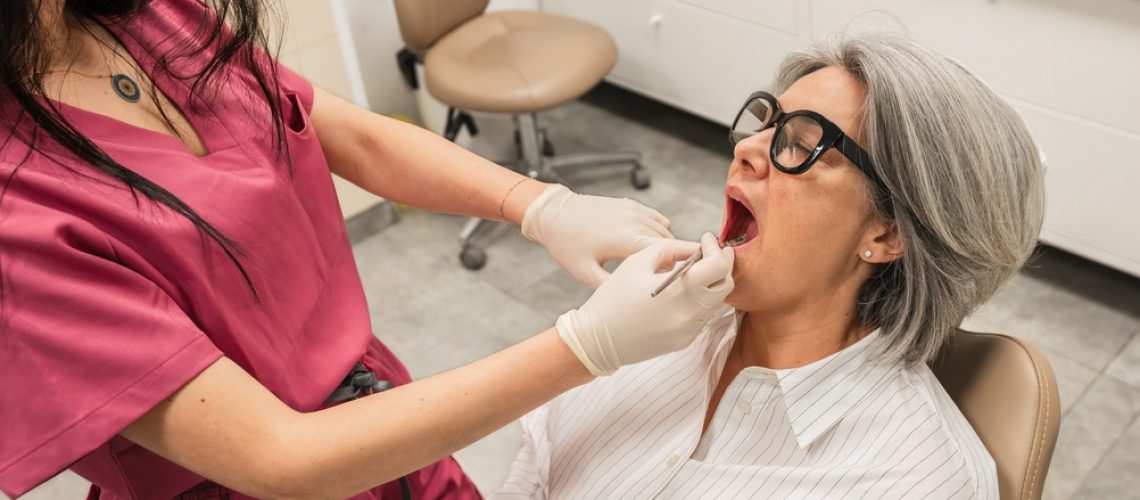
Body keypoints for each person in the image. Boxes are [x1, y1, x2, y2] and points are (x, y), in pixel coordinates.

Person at [0, 0, 736, 498]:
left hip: (382, 410)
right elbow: (278, 460)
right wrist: (588, 346)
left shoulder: (149, 15)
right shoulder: (15, 212)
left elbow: (347, 133)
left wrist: (540, 204)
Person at [494, 32, 1045, 499]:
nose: (747, 150)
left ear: (888, 233)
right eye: (766, 124)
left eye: (800, 145)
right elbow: (538, 465)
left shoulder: (911, 481)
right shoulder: (648, 325)